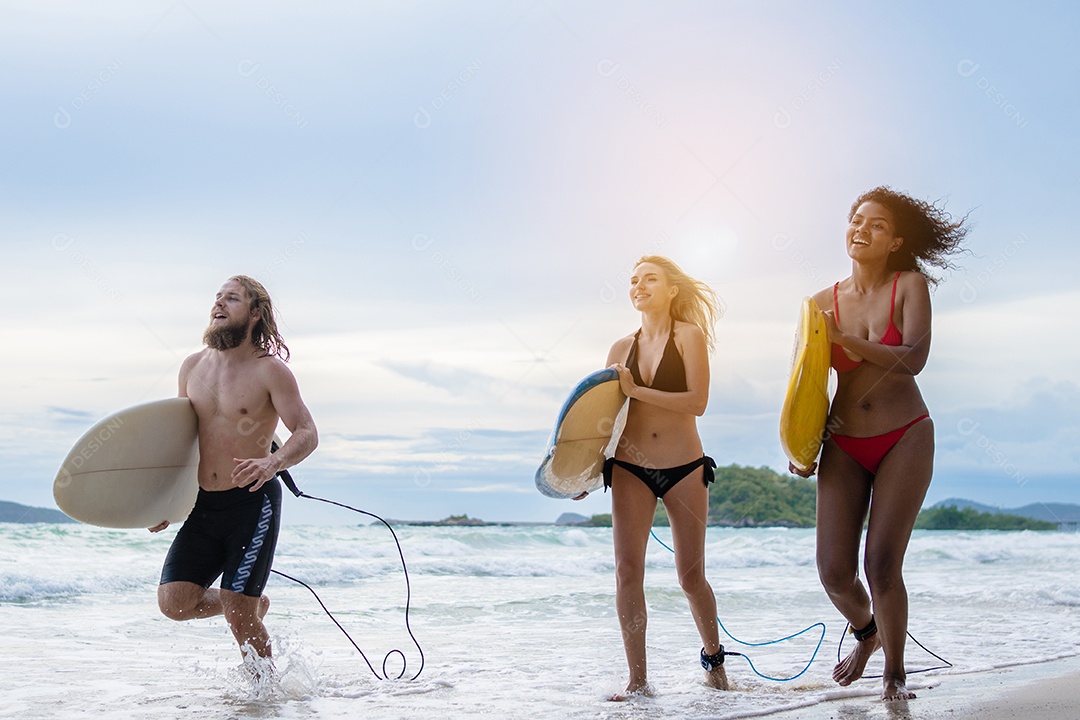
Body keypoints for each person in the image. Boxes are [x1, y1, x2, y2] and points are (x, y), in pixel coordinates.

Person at [791, 187, 968, 702]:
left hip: (904, 436)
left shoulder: (909, 286)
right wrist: (801, 445)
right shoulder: (821, 303)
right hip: (843, 443)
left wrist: (845, 342)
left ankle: (894, 671)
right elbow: (804, 386)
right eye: (855, 220)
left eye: (876, 224)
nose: (861, 229)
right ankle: (867, 633)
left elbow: (913, 357)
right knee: (834, 573)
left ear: (895, 241)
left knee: (882, 565)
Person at [149, 275, 318, 666]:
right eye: (217, 298)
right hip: (204, 505)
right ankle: (252, 603)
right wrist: (162, 501)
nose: (219, 305)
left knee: (238, 611)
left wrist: (274, 461)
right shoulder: (192, 367)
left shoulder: (270, 371)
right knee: (174, 602)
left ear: (255, 314)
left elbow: (307, 432)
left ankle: (263, 698)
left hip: (251, 503)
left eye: (232, 299)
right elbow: (184, 442)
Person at [577, 255, 726, 699]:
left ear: (671, 289)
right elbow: (606, 415)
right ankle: (638, 681)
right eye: (634, 280)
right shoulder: (620, 349)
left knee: (690, 576)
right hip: (628, 465)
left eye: (650, 279)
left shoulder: (689, 336)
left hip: (684, 467)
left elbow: (697, 401)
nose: (639, 286)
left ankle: (714, 660)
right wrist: (584, 470)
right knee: (627, 573)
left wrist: (637, 389)